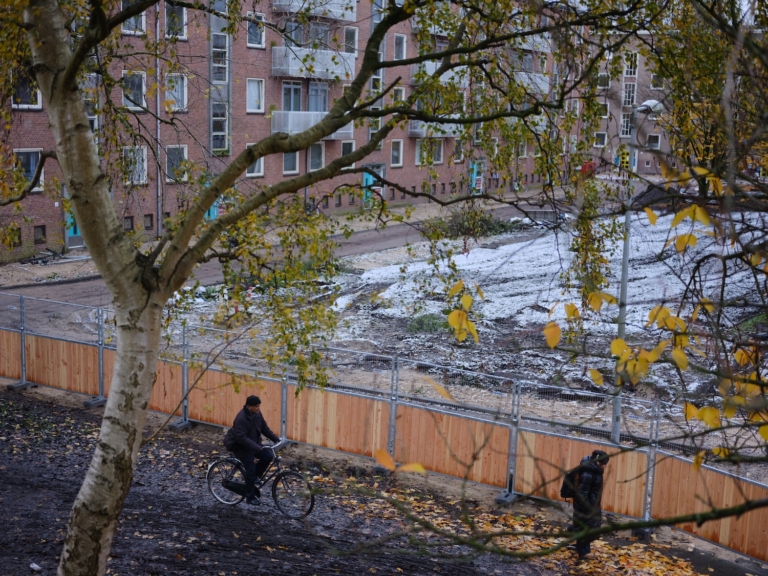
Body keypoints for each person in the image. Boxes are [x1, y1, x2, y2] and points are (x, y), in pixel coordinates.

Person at [224, 395, 280, 505]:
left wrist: (275, 439)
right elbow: (241, 438)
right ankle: (250, 497)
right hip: (242, 449)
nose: (259, 408)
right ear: (249, 407)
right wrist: (256, 447)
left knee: (268, 456)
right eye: (257, 406)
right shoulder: (241, 418)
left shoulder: (257, 414)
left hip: (254, 445)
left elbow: (264, 428)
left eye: (259, 406)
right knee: (250, 471)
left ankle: (255, 477)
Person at [572, 450, 610, 559]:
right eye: (605, 464)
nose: (606, 466)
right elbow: (582, 493)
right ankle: (584, 553)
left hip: (591, 505)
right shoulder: (588, 474)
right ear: (599, 463)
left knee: (590, 527)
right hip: (585, 506)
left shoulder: (595, 470)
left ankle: (572, 533)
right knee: (585, 528)